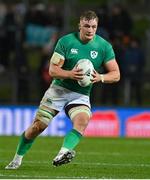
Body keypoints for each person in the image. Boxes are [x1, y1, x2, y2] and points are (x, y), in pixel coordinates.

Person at [5, 10, 120, 169]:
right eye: (87, 26)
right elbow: (52, 70)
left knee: (83, 120)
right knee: (38, 127)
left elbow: (116, 74)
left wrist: (100, 77)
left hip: (80, 95)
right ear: (79, 25)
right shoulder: (66, 42)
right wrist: (70, 74)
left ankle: (62, 153)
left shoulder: (104, 46)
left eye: (94, 26)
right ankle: (17, 158)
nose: (90, 30)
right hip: (59, 90)